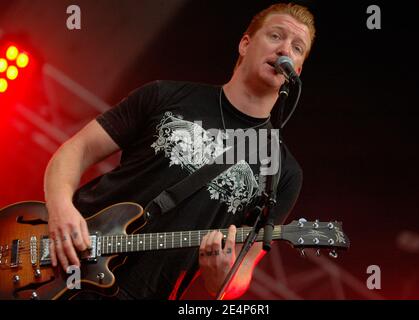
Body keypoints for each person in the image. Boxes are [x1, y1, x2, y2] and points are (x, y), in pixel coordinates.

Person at [44, 3, 316, 300]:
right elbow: (77, 149)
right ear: (245, 44)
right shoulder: (165, 95)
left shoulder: (283, 172)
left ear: (297, 70)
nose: (285, 50)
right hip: (63, 263)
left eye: (297, 47)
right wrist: (60, 209)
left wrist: (220, 274)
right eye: (276, 36)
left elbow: (240, 273)